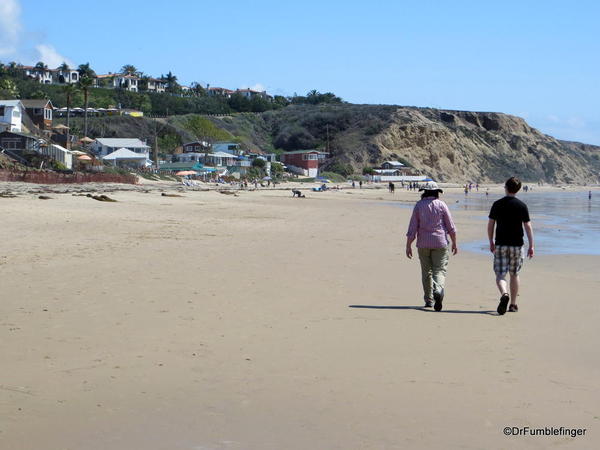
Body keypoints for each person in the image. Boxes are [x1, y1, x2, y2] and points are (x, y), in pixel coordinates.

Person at [406, 181, 458, 311]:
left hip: (423, 243)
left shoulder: (418, 206)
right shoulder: (441, 205)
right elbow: (451, 226)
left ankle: (429, 299)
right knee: (439, 270)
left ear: (424, 192)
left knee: (426, 272)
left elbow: (413, 227)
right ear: (437, 192)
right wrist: (455, 243)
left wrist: (408, 245)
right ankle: (438, 290)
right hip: (440, 242)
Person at [487, 177, 534, 315]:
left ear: (506, 187)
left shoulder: (497, 204)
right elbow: (528, 226)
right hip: (517, 246)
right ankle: (513, 304)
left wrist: (490, 241)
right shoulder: (522, 206)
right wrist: (531, 245)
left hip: (501, 244)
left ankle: (504, 294)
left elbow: (490, 225)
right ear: (518, 189)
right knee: (514, 274)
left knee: (500, 274)